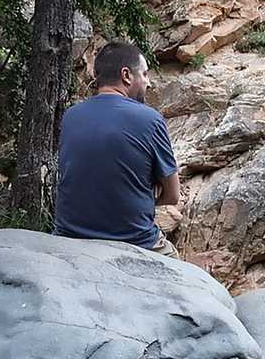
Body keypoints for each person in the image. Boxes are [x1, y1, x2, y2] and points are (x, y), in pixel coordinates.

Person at [52, 42, 182, 257]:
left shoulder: (71, 116)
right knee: (178, 268)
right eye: (145, 74)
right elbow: (173, 195)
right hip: (135, 241)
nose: (148, 83)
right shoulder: (149, 119)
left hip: (69, 237)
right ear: (126, 75)